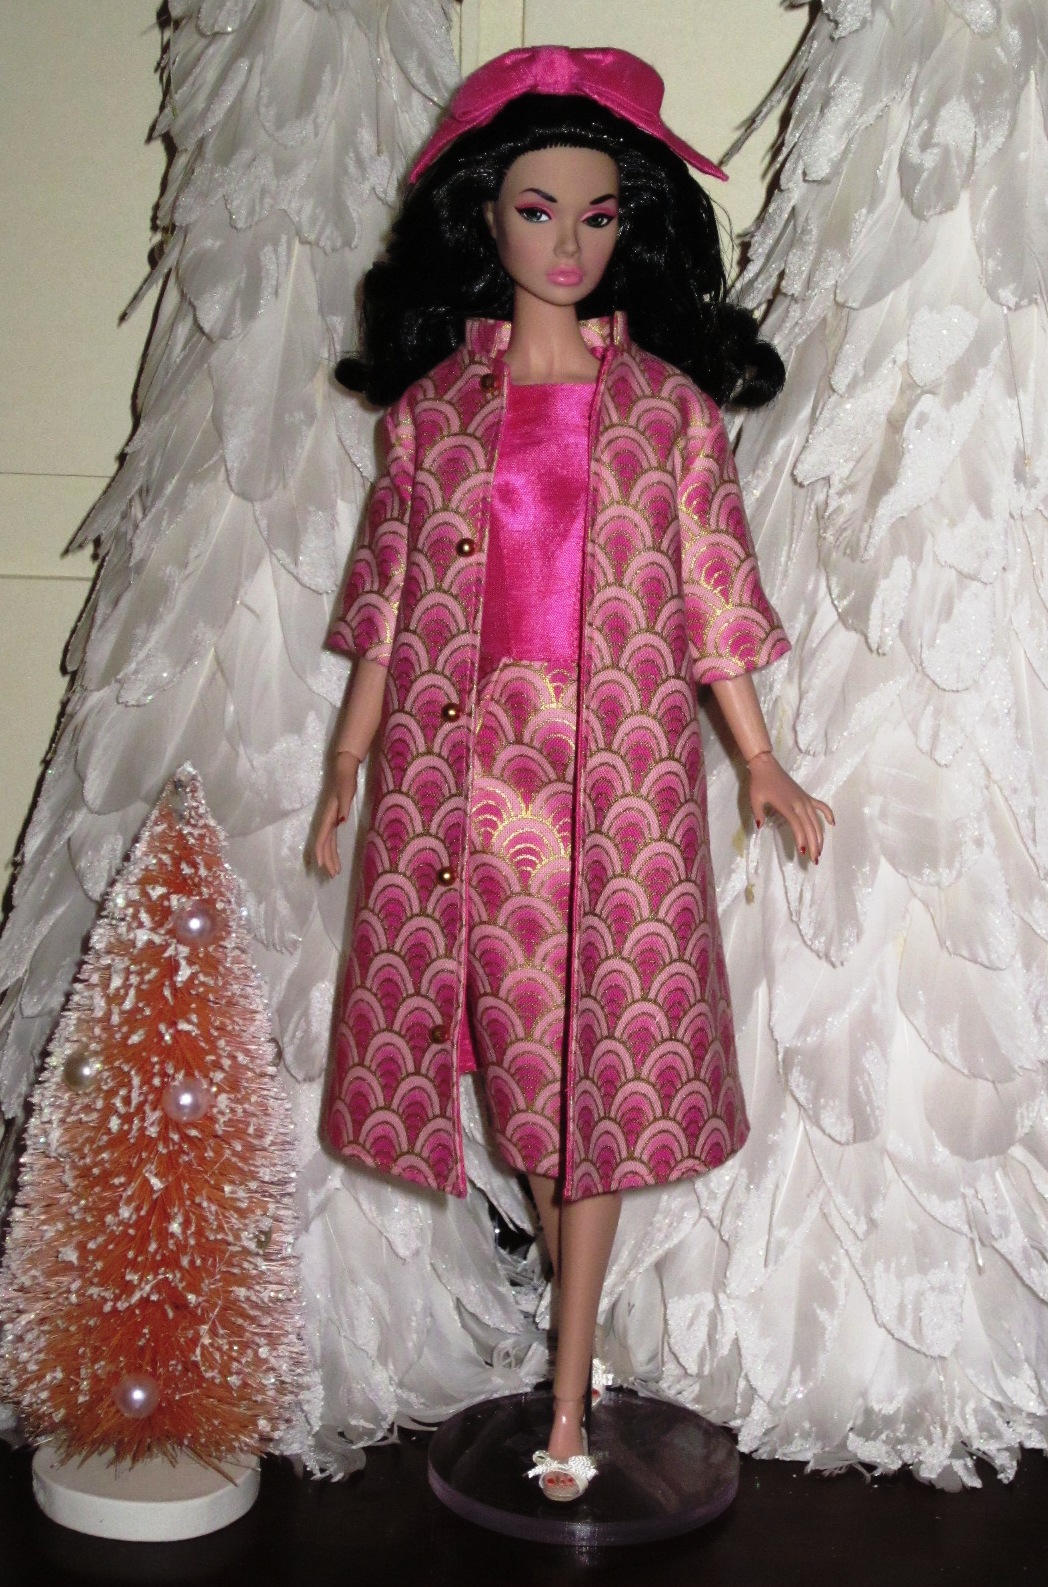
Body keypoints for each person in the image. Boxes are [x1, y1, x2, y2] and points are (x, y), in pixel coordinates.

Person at [314, 45, 832, 1503]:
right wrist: (349, 758)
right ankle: (573, 1331)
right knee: (509, 1078)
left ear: (630, 228)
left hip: (612, 792)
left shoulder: (667, 413)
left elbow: (710, 595)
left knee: (593, 1083)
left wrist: (762, 759)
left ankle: (563, 1400)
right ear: (484, 218)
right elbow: (389, 603)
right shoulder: (431, 417)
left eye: (598, 216)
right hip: (455, 789)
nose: (567, 244)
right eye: (537, 210)